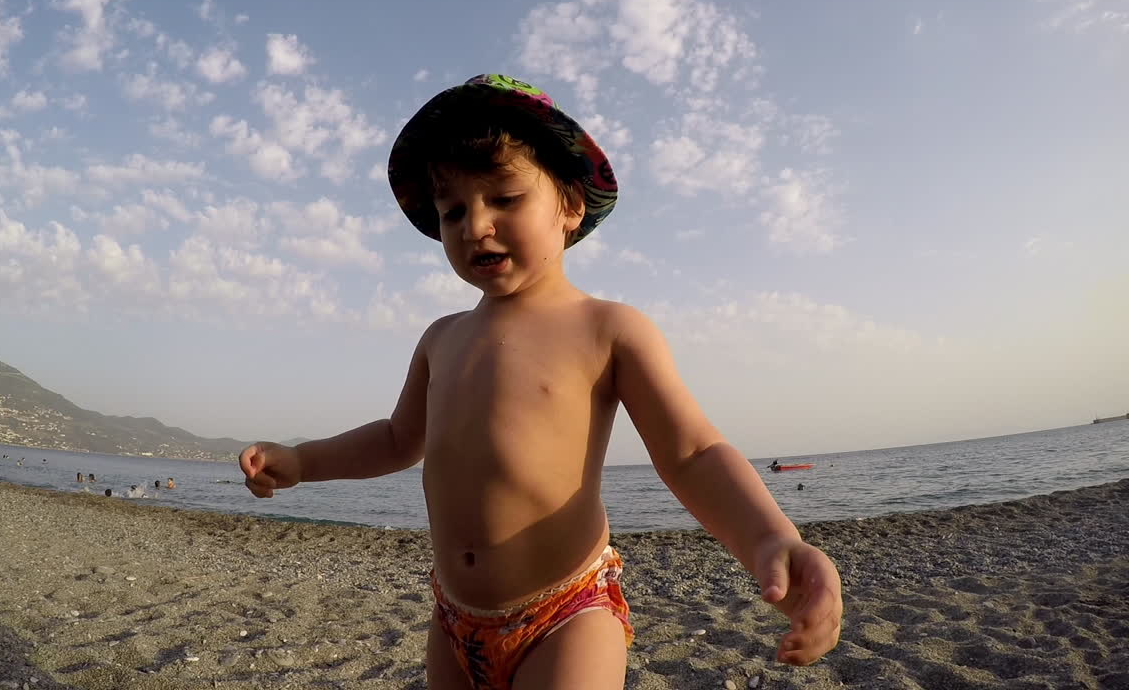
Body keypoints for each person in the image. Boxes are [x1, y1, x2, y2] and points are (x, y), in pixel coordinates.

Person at [238, 74, 843, 689]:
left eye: (503, 198)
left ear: (570, 207)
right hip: (454, 619)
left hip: (566, 614)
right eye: (453, 211)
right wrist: (302, 460)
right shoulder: (441, 338)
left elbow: (691, 453)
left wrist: (773, 537)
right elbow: (398, 439)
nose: (475, 225)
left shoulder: (608, 329)